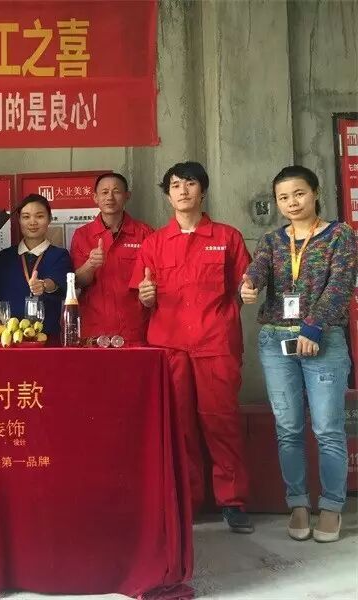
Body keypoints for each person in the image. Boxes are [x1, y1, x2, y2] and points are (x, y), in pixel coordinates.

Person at [130, 161, 254, 533]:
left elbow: (244, 285)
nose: (182, 191)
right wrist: (146, 296)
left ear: (203, 190)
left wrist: (248, 292)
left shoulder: (227, 237)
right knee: (179, 426)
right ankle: (188, 501)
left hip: (215, 344)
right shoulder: (154, 243)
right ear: (167, 195)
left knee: (222, 423)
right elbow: (143, 295)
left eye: (190, 183)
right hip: (170, 347)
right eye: (175, 185)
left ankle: (233, 501)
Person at [242, 166, 356, 543]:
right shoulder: (272, 240)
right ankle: (298, 503)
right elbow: (258, 269)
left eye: (299, 193)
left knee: (327, 429)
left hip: (322, 341)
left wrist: (313, 326)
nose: (291, 202)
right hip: (276, 342)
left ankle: (332, 506)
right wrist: (249, 284)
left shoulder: (339, 235)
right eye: (283, 197)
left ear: (316, 193)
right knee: (288, 429)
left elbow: (340, 285)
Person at [70, 172, 153, 345]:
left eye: (116, 191)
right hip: (94, 329)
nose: (110, 197)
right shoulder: (82, 235)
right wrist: (90, 265)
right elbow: (76, 282)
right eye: (104, 192)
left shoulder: (145, 233)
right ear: (95, 197)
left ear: (127, 196)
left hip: (134, 327)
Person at [0, 194, 72, 336]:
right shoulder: (4, 257)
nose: (32, 222)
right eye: (26, 217)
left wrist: (44, 285)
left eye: (39, 216)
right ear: (19, 220)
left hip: (46, 337)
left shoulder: (60, 255)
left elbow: (60, 282)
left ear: (49, 219)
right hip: (9, 337)